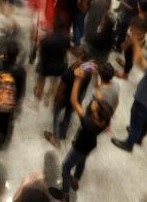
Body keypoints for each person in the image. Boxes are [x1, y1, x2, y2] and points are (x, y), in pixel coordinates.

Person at [47, 66, 114, 201]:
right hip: (89, 145)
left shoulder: (88, 124)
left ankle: (65, 194)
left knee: (65, 167)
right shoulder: (104, 119)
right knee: (82, 160)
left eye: (96, 107)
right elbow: (98, 90)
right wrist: (95, 75)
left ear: (97, 118)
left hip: (80, 145)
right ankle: (76, 179)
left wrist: (77, 79)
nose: (94, 103)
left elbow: (74, 101)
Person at [34, 25, 71, 103]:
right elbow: (67, 52)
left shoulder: (45, 40)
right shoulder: (66, 39)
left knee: (41, 81)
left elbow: (41, 54)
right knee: (54, 83)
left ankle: (37, 100)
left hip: (45, 65)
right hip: (59, 66)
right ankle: (48, 97)